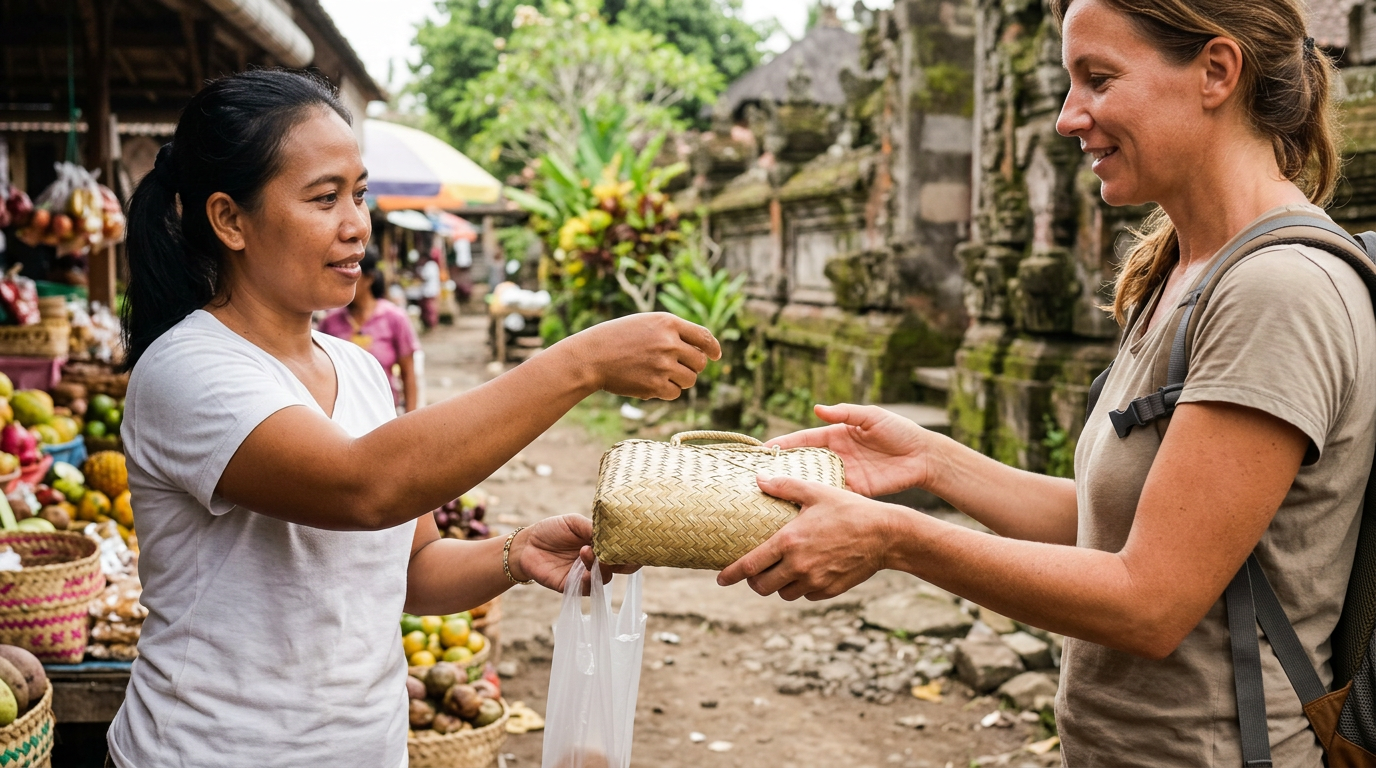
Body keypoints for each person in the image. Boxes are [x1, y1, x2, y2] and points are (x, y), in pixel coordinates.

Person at [719, 1, 1370, 765]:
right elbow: (1116, 529)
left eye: (1098, 78)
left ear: (1216, 73)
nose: (1068, 118)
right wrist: (934, 463)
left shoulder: (1278, 291)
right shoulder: (1183, 271)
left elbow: (1149, 601)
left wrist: (896, 539)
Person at [112, 69, 719, 768]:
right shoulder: (188, 369)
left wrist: (513, 554)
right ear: (229, 220)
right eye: (324, 198)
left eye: (360, 194)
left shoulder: (360, 370)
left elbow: (414, 564)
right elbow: (363, 488)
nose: (357, 226)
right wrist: (578, 363)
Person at [317, 250, 420, 411]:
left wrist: (411, 420)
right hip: (340, 417)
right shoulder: (330, 322)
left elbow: (408, 374)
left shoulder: (394, 318)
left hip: (385, 412)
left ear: (369, 279)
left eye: (349, 274)